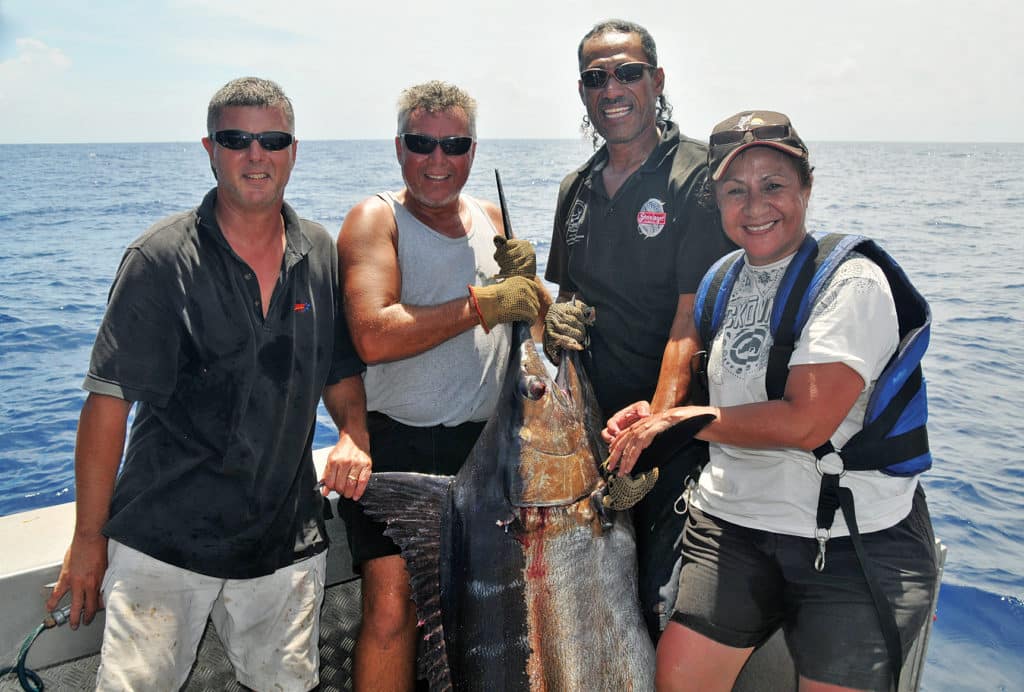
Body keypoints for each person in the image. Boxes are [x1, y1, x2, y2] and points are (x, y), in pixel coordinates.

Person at [44, 77, 369, 692]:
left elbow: (341, 371)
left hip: (283, 545)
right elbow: (108, 403)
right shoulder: (160, 258)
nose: (255, 154)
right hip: (162, 546)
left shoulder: (322, 252)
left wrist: (354, 434)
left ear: (293, 151)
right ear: (209, 148)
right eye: (235, 138)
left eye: (271, 139)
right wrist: (88, 541)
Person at [604, 110, 938, 691]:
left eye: (773, 185)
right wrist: (657, 419)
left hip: (850, 540)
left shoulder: (852, 282)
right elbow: (730, 398)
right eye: (736, 190)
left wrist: (683, 423)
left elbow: (806, 421)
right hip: (731, 527)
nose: (755, 206)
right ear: (715, 200)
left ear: (806, 187)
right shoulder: (720, 281)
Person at [333, 80, 542, 692]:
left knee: (488, 616)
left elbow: (526, 327)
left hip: (486, 451)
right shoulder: (376, 218)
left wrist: (544, 304)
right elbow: (372, 333)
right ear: (399, 147)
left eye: (454, 144)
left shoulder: (492, 219)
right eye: (422, 143)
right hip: (400, 446)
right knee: (393, 612)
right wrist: (485, 302)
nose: (437, 160)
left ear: (473, 150)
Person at [543, 19, 736, 642]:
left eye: (628, 72)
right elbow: (570, 299)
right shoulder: (575, 189)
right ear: (582, 92)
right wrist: (556, 323)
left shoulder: (696, 176)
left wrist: (648, 435)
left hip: (673, 446)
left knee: (660, 612)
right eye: (597, 77)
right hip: (593, 442)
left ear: (656, 80)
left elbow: (691, 320)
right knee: (590, 613)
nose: (613, 88)